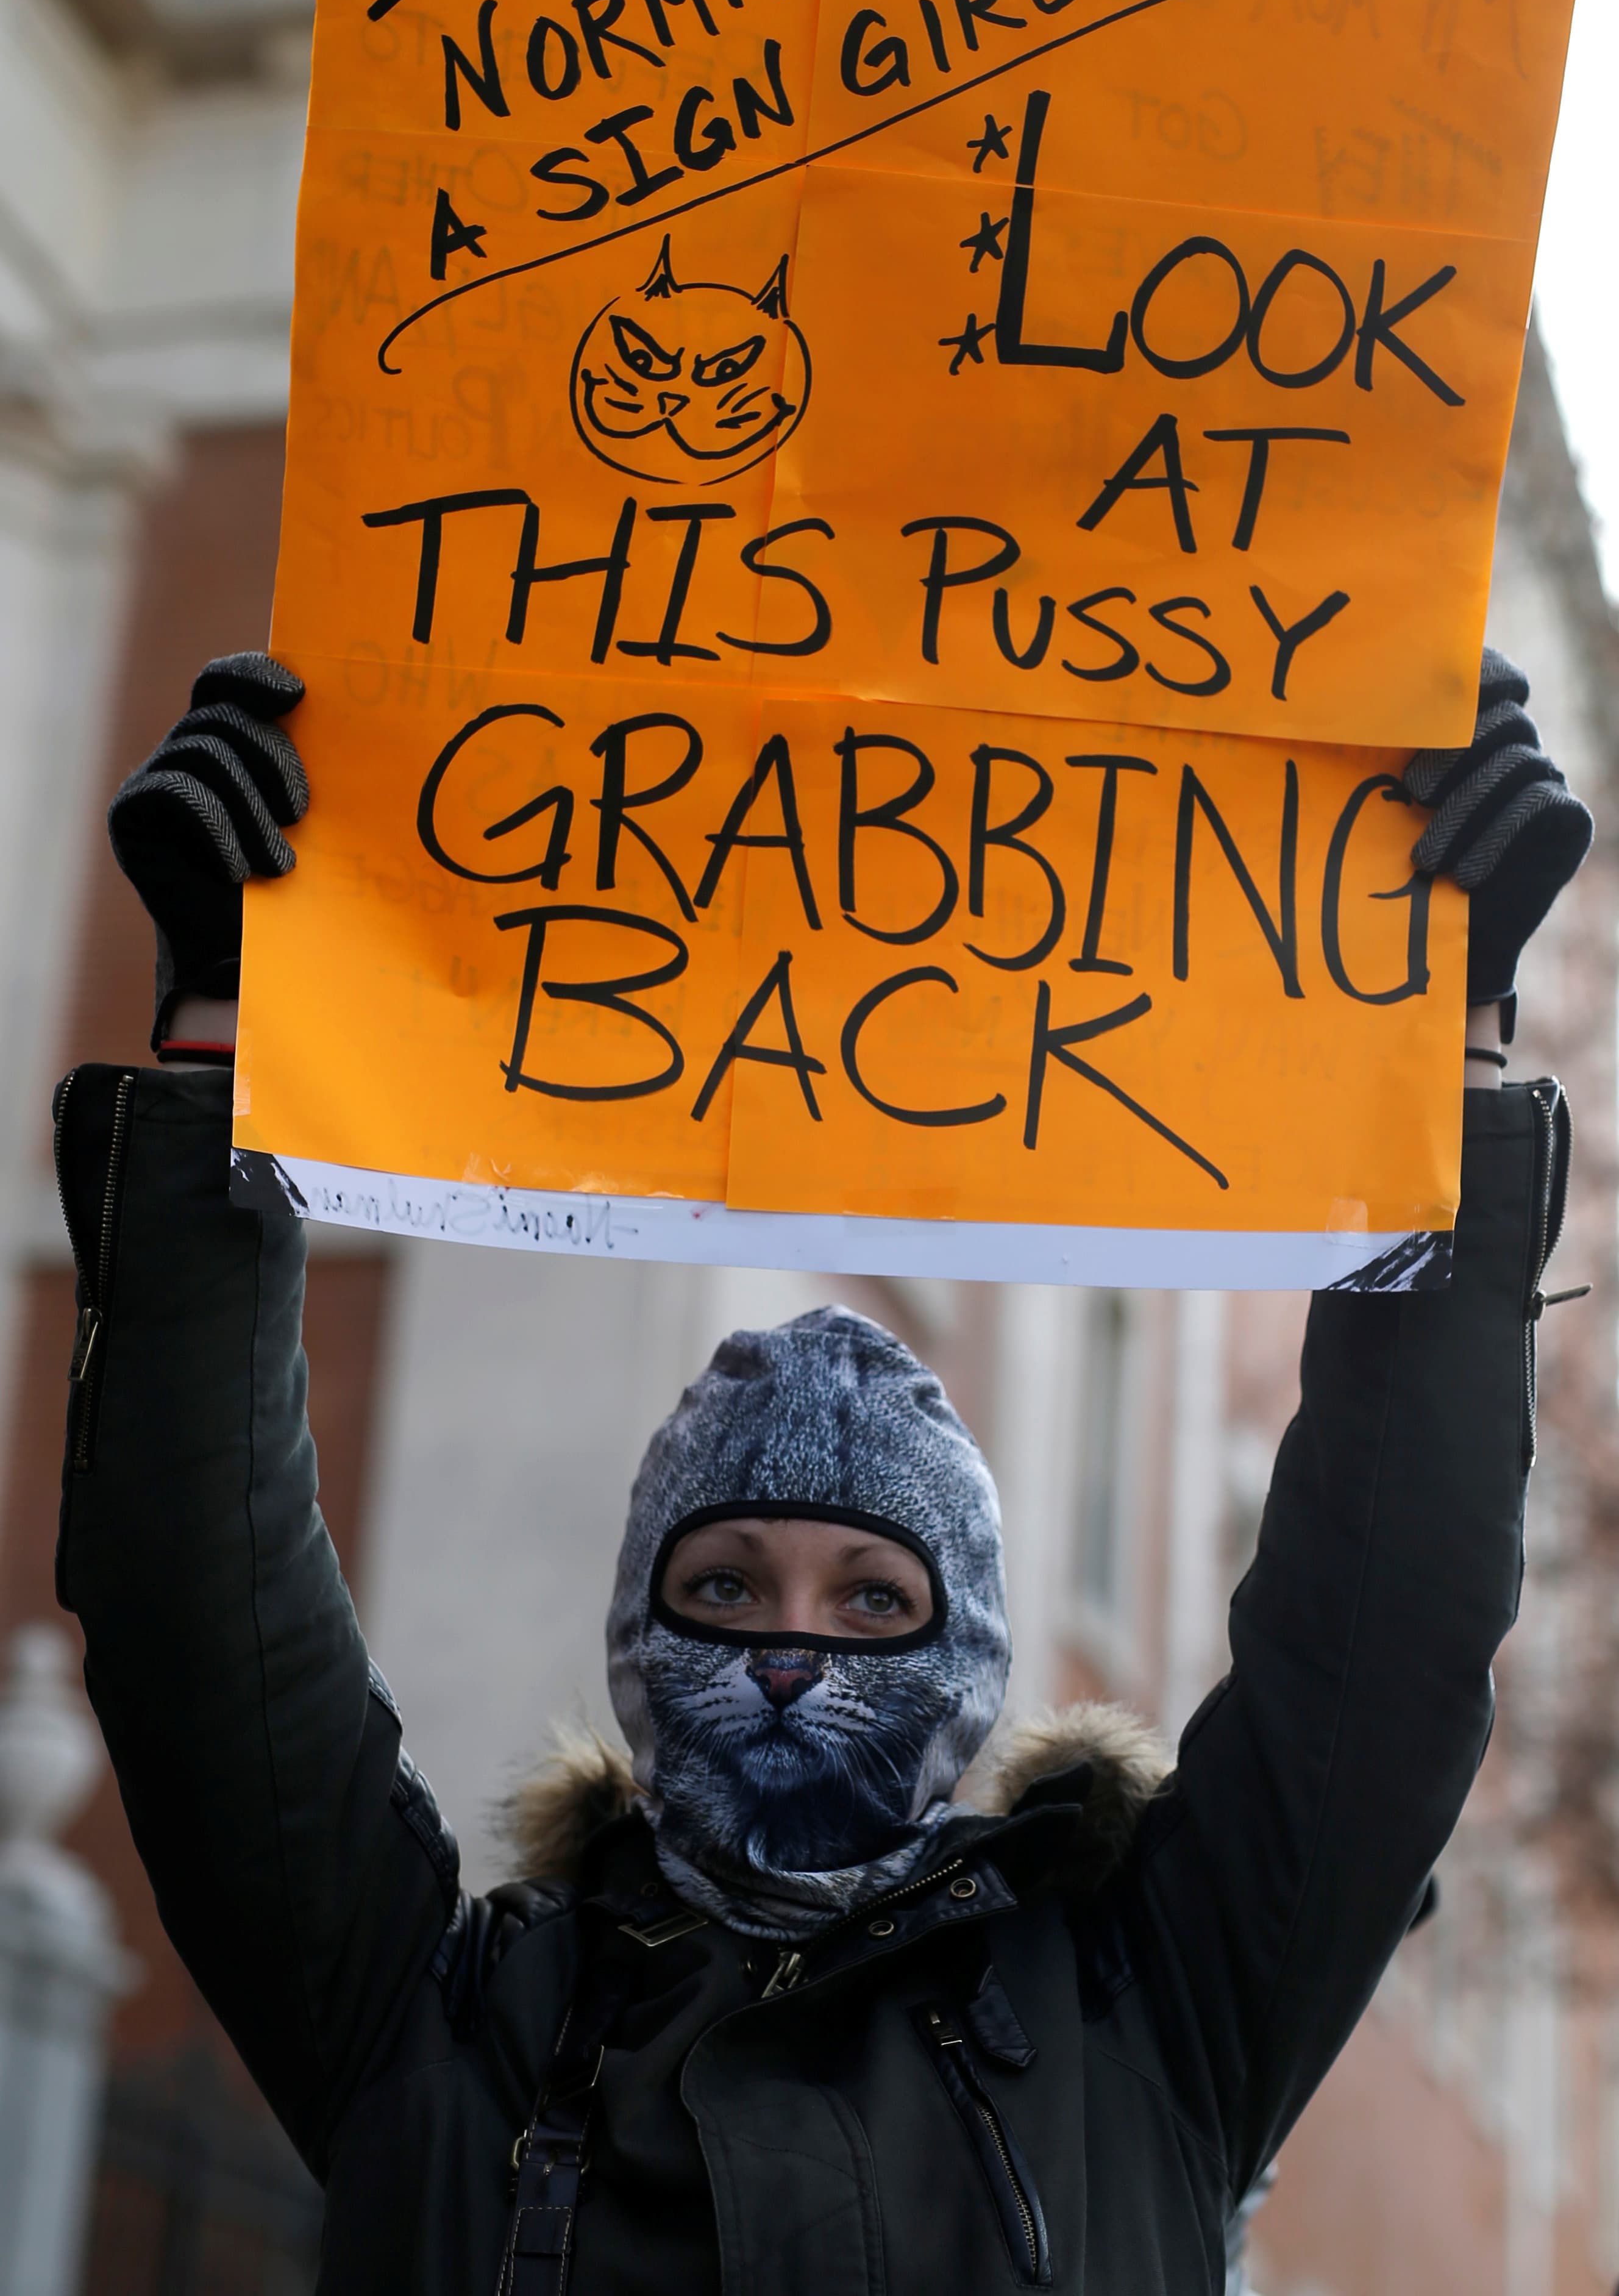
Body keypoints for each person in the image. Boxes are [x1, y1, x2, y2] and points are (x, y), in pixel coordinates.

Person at [52, 647, 1589, 2295]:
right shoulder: (437, 2019)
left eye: (874, 1594)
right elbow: (201, 1613)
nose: (789, 1650)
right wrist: (222, 1044)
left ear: (975, 1648)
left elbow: (1388, 1626)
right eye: (725, 1584)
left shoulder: (1156, 2014)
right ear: (637, 1623)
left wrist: (1450, 1058)